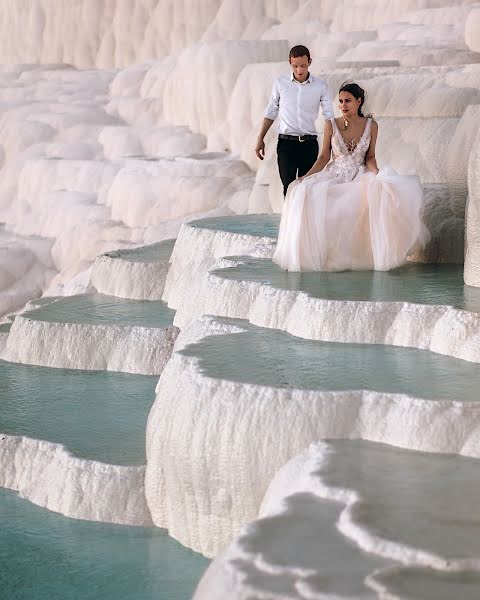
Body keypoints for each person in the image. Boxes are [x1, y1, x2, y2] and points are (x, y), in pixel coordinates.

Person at [272, 82, 430, 272]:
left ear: (359, 101)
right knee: (305, 192)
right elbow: (323, 157)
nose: (343, 105)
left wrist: (376, 174)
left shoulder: (372, 125)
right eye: (340, 101)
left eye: (347, 101)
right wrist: (306, 176)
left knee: (374, 193)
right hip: (334, 174)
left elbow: (370, 157)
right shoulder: (331, 124)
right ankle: (328, 257)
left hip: (359, 174)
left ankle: (357, 258)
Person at [255, 45, 334, 196]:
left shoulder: (320, 86)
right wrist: (260, 138)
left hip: (309, 144)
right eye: (295, 66)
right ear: (289, 62)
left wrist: (333, 143)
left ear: (310, 62)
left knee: (307, 189)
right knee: (289, 189)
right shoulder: (280, 83)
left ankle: (306, 220)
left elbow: (328, 116)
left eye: (303, 66)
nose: (299, 70)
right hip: (286, 145)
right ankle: (289, 220)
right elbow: (271, 110)